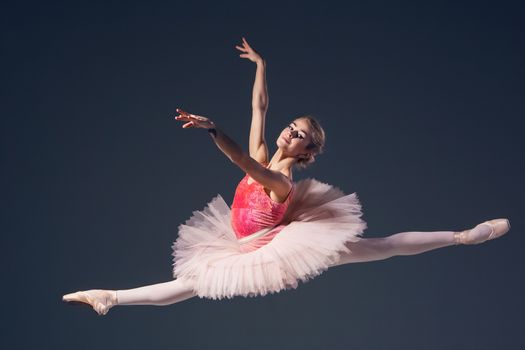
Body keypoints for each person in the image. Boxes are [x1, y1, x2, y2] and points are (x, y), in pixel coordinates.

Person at [62, 37, 511, 316]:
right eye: (291, 126)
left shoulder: (280, 182)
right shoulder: (266, 149)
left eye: (299, 135)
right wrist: (261, 66)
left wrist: (213, 128)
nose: (290, 133)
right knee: (190, 286)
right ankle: (111, 297)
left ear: (307, 152)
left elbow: (246, 165)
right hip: (241, 242)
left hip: (278, 248)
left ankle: (461, 237)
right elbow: (259, 109)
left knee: (381, 246)